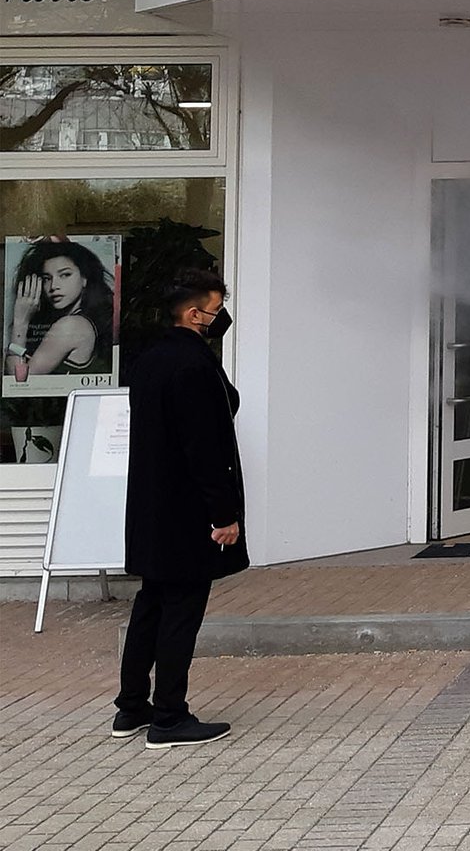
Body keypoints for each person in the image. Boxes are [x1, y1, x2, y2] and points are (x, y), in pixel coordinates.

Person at [114, 268, 245, 749]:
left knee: (151, 603)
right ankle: (169, 717)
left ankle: (132, 708)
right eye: (214, 310)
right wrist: (224, 515)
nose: (220, 318)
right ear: (194, 314)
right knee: (181, 612)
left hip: (153, 504)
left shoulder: (152, 358)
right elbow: (204, 446)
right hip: (188, 510)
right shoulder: (192, 366)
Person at [9, 237, 116, 382]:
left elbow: (19, 382)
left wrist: (20, 321)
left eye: (65, 275)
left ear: (84, 278)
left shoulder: (71, 325)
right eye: (47, 278)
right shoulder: (85, 319)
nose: (53, 286)